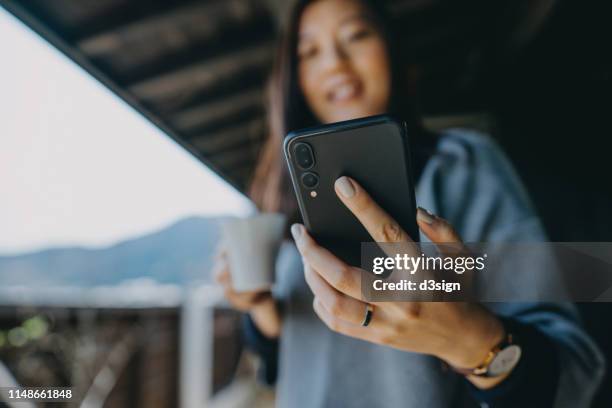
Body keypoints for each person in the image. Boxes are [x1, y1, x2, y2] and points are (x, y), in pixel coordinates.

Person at [215, 0, 604, 406]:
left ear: (393, 52)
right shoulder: (287, 200)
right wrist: (261, 309)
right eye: (308, 52)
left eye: (356, 35)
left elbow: (572, 369)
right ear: (294, 79)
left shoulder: (461, 164)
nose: (334, 62)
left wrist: (471, 341)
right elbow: (289, 357)